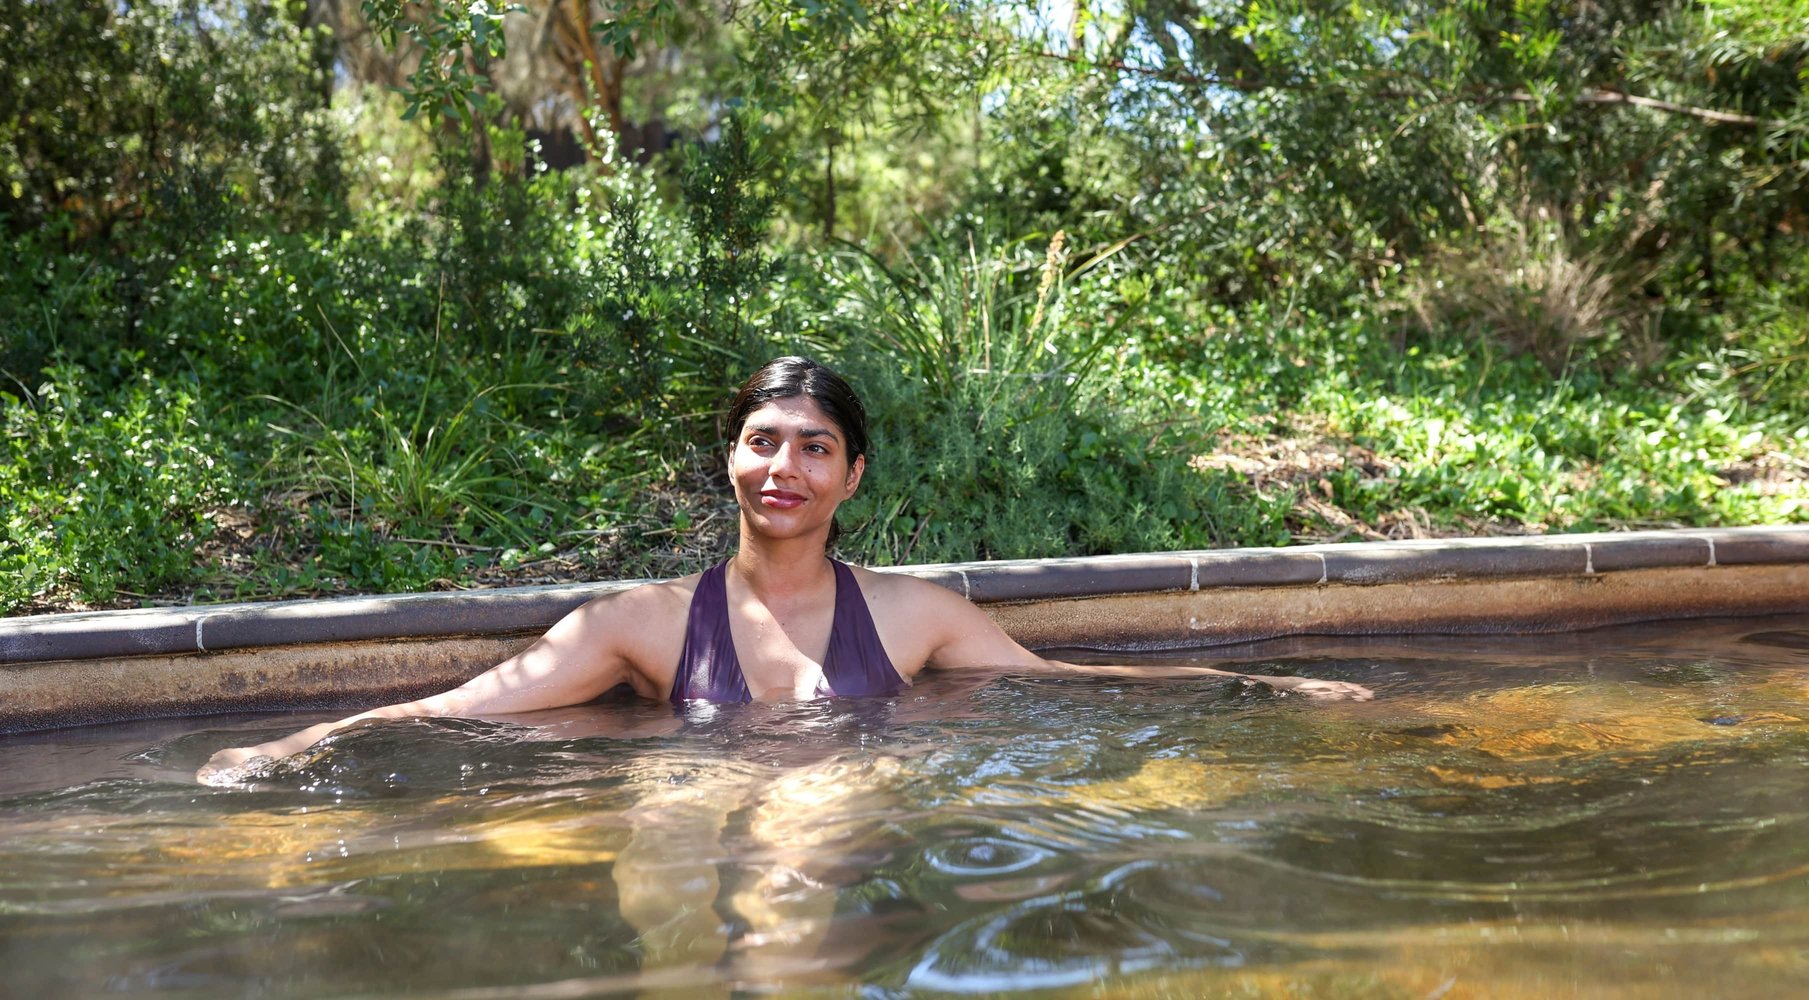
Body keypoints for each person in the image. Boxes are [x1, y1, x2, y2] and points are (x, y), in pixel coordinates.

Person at [199, 356, 1370, 782]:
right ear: (729, 460)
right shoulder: (640, 624)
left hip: (839, 804)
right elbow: (466, 707)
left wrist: (1261, 686)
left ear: (853, 475)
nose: (785, 468)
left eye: (815, 447)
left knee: (813, 819)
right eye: (765, 442)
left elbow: (1063, 681)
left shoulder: (918, 616)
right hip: (689, 804)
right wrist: (297, 741)